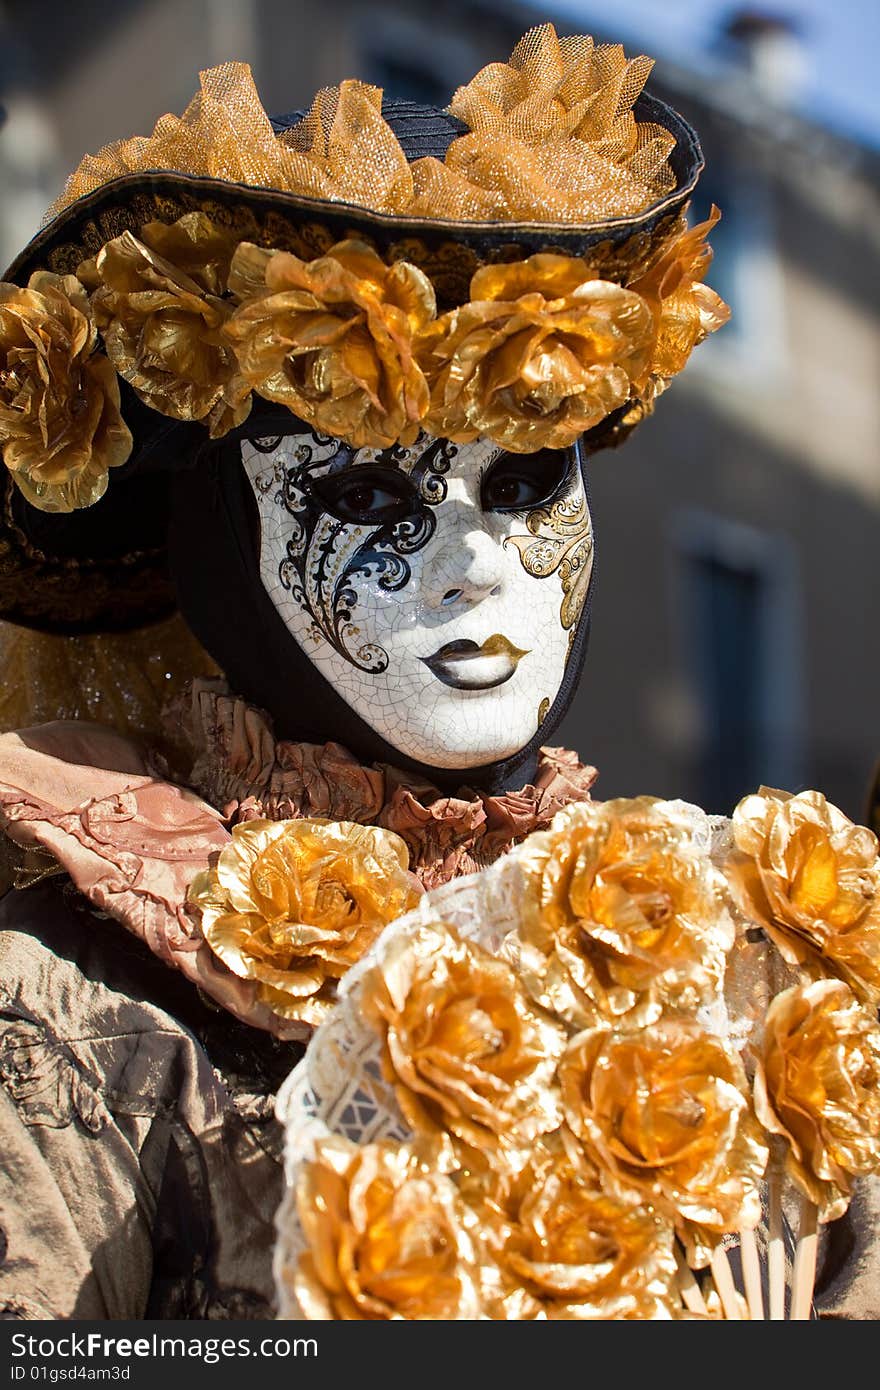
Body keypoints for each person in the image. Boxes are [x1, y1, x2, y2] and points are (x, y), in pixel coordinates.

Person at [0, 23, 870, 1320]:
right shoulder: (79, 996)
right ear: (212, 542)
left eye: (524, 479)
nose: (470, 567)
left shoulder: (756, 957)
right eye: (359, 491)